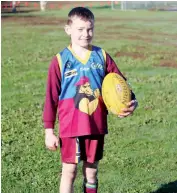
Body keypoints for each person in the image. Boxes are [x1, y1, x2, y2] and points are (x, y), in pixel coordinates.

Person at [43, 7, 138, 193]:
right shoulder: (60, 60)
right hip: (71, 126)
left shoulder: (101, 56)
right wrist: (48, 131)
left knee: (92, 172)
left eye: (90, 29)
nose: (86, 34)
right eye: (80, 29)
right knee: (69, 171)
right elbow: (51, 97)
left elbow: (119, 82)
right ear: (68, 29)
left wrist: (131, 100)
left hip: (95, 124)